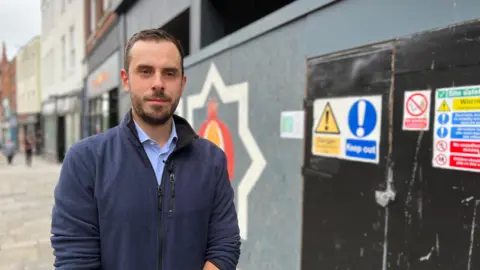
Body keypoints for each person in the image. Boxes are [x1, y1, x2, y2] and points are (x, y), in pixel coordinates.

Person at [50, 28, 241, 270]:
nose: (158, 83)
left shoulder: (212, 160)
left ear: (182, 84)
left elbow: (225, 244)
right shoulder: (86, 161)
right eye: (145, 71)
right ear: (126, 79)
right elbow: (74, 259)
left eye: (169, 73)